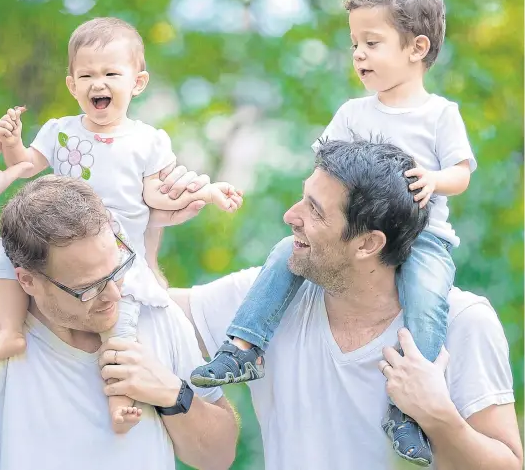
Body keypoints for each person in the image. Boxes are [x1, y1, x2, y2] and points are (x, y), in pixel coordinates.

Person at [190, 0, 475, 465]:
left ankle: (408, 411)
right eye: (354, 44)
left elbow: (461, 172)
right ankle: (243, 346)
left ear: (417, 47)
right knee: (284, 256)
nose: (359, 54)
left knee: (427, 304)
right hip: (352, 235)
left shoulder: (439, 114)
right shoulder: (353, 112)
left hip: (423, 236)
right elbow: (327, 164)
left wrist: (434, 180)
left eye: (372, 43)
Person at [0, 117, 239, 470]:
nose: (113, 293)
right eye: (88, 288)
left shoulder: (154, 315)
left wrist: (174, 394)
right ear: (27, 281)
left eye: (116, 269)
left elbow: (219, 456)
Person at [172, 138, 522, 470]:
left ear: (368, 244)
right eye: (302, 198)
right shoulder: (268, 301)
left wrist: (438, 416)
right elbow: (154, 310)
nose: (290, 216)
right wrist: (154, 221)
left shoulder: (464, 322)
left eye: (315, 211)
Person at [0, 17, 242, 434]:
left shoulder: (148, 140)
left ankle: (120, 401)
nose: (98, 82)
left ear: (138, 82)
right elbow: (24, 166)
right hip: (61, 242)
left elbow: (157, 195)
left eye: (111, 73)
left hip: (116, 253)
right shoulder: (59, 131)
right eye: (87, 75)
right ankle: (9, 331)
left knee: (119, 327)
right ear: (72, 85)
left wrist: (206, 193)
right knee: (7, 259)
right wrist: (11, 142)